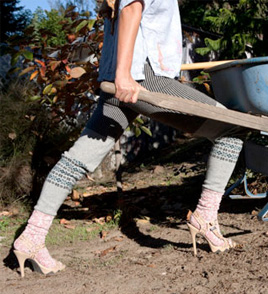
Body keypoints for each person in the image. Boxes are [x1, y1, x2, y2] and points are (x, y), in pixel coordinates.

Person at [13, 0, 244, 277]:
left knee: (78, 158)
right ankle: (205, 217)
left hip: (120, 76)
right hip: (142, 76)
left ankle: (32, 237)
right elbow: (131, 8)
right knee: (232, 128)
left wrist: (121, 73)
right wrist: (125, 75)